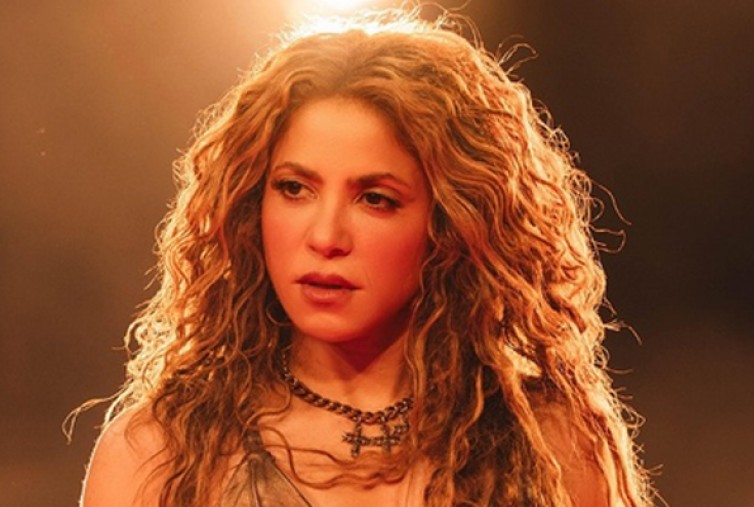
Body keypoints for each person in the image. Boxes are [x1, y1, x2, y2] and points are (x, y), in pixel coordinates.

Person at [79, 9, 655, 507]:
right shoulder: (159, 452)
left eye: (375, 199)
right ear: (252, 205)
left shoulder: (549, 443)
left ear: (452, 222)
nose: (326, 236)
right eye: (295, 189)